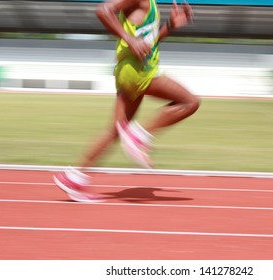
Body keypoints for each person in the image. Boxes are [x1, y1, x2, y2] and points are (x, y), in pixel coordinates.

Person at [53, 0, 200, 202]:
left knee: (115, 129)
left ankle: (74, 176)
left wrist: (169, 26)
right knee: (189, 102)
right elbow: (103, 10)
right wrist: (130, 40)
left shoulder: (150, 4)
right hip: (138, 70)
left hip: (131, 69)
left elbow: (147, 43)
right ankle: (139, 136)